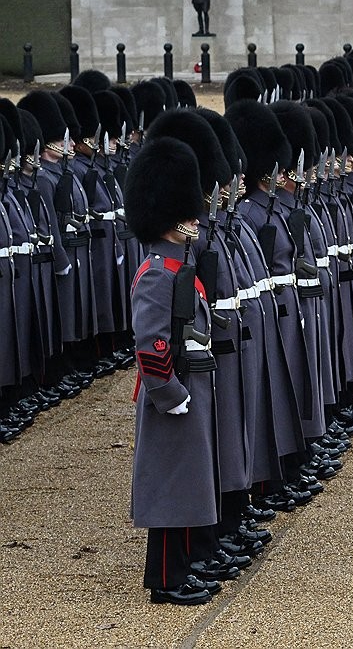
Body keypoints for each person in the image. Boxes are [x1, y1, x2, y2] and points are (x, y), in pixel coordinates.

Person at [124, 136, 221, 605]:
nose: (194, 220)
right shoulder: (157, 271)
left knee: (185, 482)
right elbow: (150, 341)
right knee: (168, 486)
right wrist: (168, 391)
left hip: (187, 384)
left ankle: (180, 570)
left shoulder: (177, 264)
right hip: (172, 392)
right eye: (186, 213)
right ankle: (164, 579)